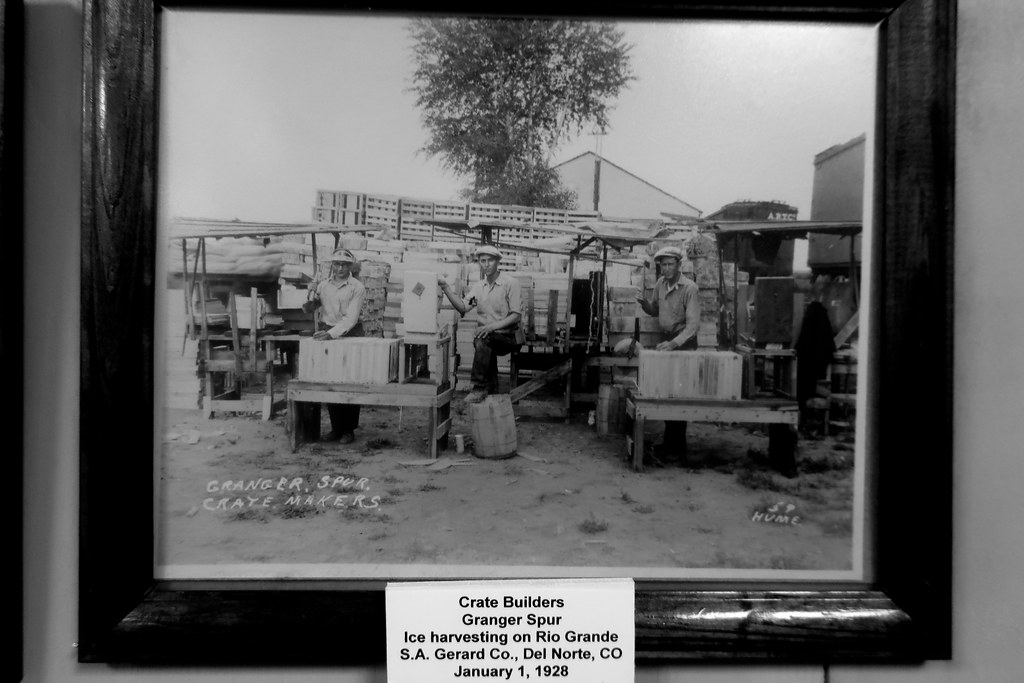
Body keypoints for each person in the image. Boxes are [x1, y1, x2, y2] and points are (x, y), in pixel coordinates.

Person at [637, 245, 701, 462]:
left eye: (670, 264)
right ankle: (669, 443)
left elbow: (693, 326)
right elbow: (656, 309)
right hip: (667, 341)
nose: (666, 268)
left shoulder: (690, 289)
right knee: (666, 392)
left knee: (679, 396)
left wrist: (674, 344)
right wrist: (646, 305)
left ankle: (678, 448)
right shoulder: (660, 284)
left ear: (679, 265)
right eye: (663, 265)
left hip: (684, 343)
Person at [439, 245, 523, 404]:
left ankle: (479, 387)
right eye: (482, 261)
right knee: (483, 340)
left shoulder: (510, 284)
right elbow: (463, 307)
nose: (486, 264)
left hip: (509, 338)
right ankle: (491, 391)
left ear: (498, 261)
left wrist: (491, 327)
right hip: (488, 338)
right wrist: (445, 287)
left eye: (490, 260)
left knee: (483, 339)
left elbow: (516, 316)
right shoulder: (479, 288)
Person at [306, 247, 366, 443]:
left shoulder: (357, 287)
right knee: (330, 379)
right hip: (328, 332)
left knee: (349, 381)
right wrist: (311, 299)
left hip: (350, 333)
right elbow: (311, 308)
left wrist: (331, 334)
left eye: (344, 265)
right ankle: (335, 428)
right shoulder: (323, 286)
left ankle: (348, 430)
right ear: (332, 265)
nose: (340, 268)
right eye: (337, 264)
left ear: (350, 266)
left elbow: (350, 319)